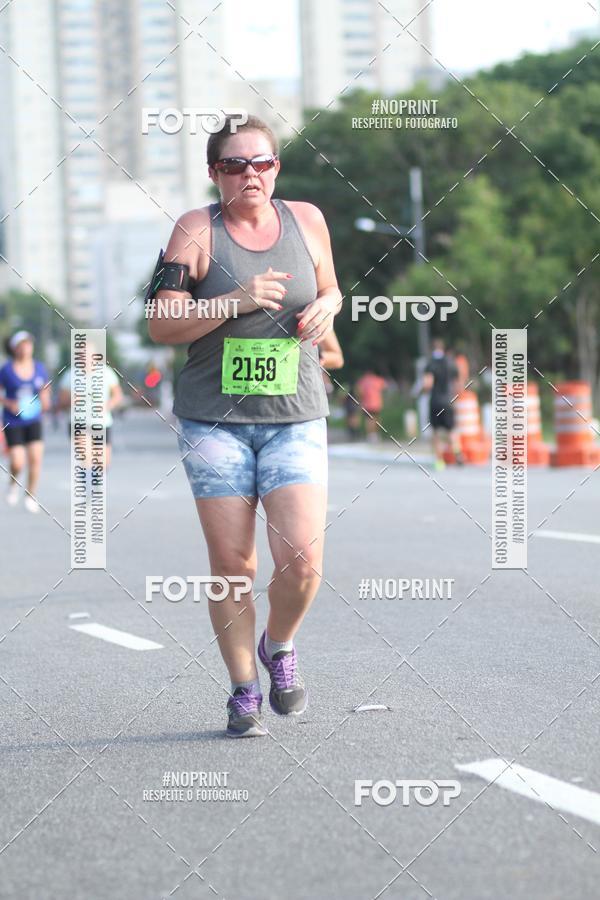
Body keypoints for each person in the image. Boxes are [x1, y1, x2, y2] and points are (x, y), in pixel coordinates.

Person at [147, 114, 342, 738]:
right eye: (235, 165)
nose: (250, 175)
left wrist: (327, 305)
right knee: (235, 564)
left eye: (261, 163)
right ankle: (241, 689)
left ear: (276, 168)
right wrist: (235, 299)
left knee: (304, 562)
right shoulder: (195, 231)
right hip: (215, 422)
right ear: (215, 174)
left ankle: (278, 647)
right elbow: (160, 322)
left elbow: (332, 286)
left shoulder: (307, 220)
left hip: (295, 414)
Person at [0, 331, 50, 513]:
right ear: (15, 349)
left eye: (28, 345)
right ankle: (13, 483)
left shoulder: (39, 368)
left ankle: (31, 495)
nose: (26, 348)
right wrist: (8, 402)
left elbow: (44, 388)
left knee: (36, 459)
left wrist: (45, 400)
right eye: (21, 345)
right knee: (18, 461)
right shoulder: (6, 370)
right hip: (12, 420)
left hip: (33, 419)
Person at [57, 349, 123, 468]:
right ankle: (88, 483)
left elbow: (117, 395)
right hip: (78, 422)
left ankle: (96, 482)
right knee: (86, 457)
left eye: (88, 354)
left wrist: (108, 405)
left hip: (101, 422)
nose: (85, 358)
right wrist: (71, 400)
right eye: (82, 355)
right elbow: (61, 401)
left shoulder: (106, 372)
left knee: (103, 462)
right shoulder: (71, 374)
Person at [422, 337, 463, 470]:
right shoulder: (450, 362)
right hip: (448, 401)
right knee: (451, 429)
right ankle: (458, 454)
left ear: (431, 349)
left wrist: (422, 392)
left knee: (436, 432)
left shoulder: (430, 364)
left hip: (435, 401)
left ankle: (439, 461)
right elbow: (458, 384)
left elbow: (427, 384)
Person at [355, 369, 387, 442]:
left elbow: (359, 391)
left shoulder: (363, 381)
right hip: (377, 403)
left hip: (367, 404)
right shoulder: (378, 379)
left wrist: (360, 399)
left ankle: (371, 435)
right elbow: (384, 387)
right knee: (376, 419)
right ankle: (376, 434)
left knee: (369, 420)